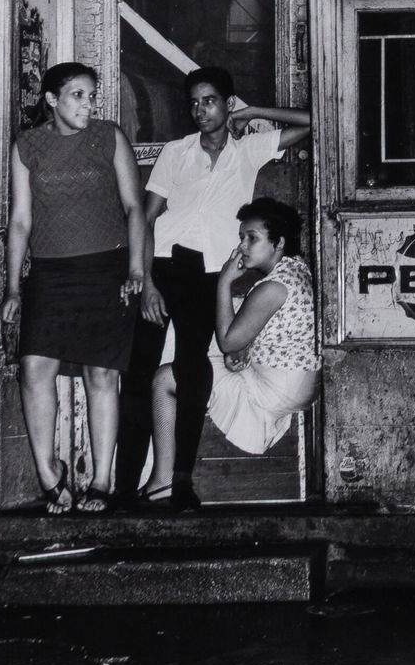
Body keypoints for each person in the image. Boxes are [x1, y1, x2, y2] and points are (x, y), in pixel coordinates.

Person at [116, 67, 311, 510]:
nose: (200, 110)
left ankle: (179, 481)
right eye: (194, 102)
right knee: (139, 373)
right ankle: (125, 488)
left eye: (210, 100)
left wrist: (255, 111)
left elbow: (312, 122)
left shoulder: (248, 151)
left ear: (227, 103)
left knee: (192, 371)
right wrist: (145, 281)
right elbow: (146, 218)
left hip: (208, 277)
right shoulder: (176, 151)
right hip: (163, 269)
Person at [2, 63, 147, 514]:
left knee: (100, 375)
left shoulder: (109, 137)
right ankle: (50, 475)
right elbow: (21, 220)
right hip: (49, 273)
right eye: (78, 95)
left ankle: (100, 481)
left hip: (106, 270)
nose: (89, 104)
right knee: (34, 369)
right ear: (52, 100)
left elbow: (134, 207)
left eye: (91, 95)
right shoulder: (28, 146)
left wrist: (137, 270)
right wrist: (13, 287)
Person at [144, 198, 318, 499]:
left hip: (277, 389)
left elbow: (226, 341)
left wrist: (224, 281)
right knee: (200, 353)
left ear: (278, 243)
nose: (242, 246)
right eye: (241, 238)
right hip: (292, 380)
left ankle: (161, 481)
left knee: (164, 379)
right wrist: (244, 352)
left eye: (252, 238)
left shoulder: (272, 287)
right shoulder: (296, 270)